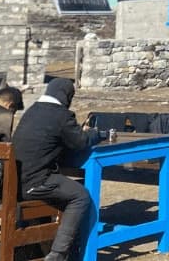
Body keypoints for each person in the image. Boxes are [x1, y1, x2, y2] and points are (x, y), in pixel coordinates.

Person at [10, 78, 101, 261]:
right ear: (67, 97)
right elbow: (80, 142)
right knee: (80, 196)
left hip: (14, 182)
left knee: (62, 190)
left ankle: (33, 247)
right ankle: (59, 253)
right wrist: (94, 133)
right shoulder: (61, 115)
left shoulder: (32, 111)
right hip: (35, 183)